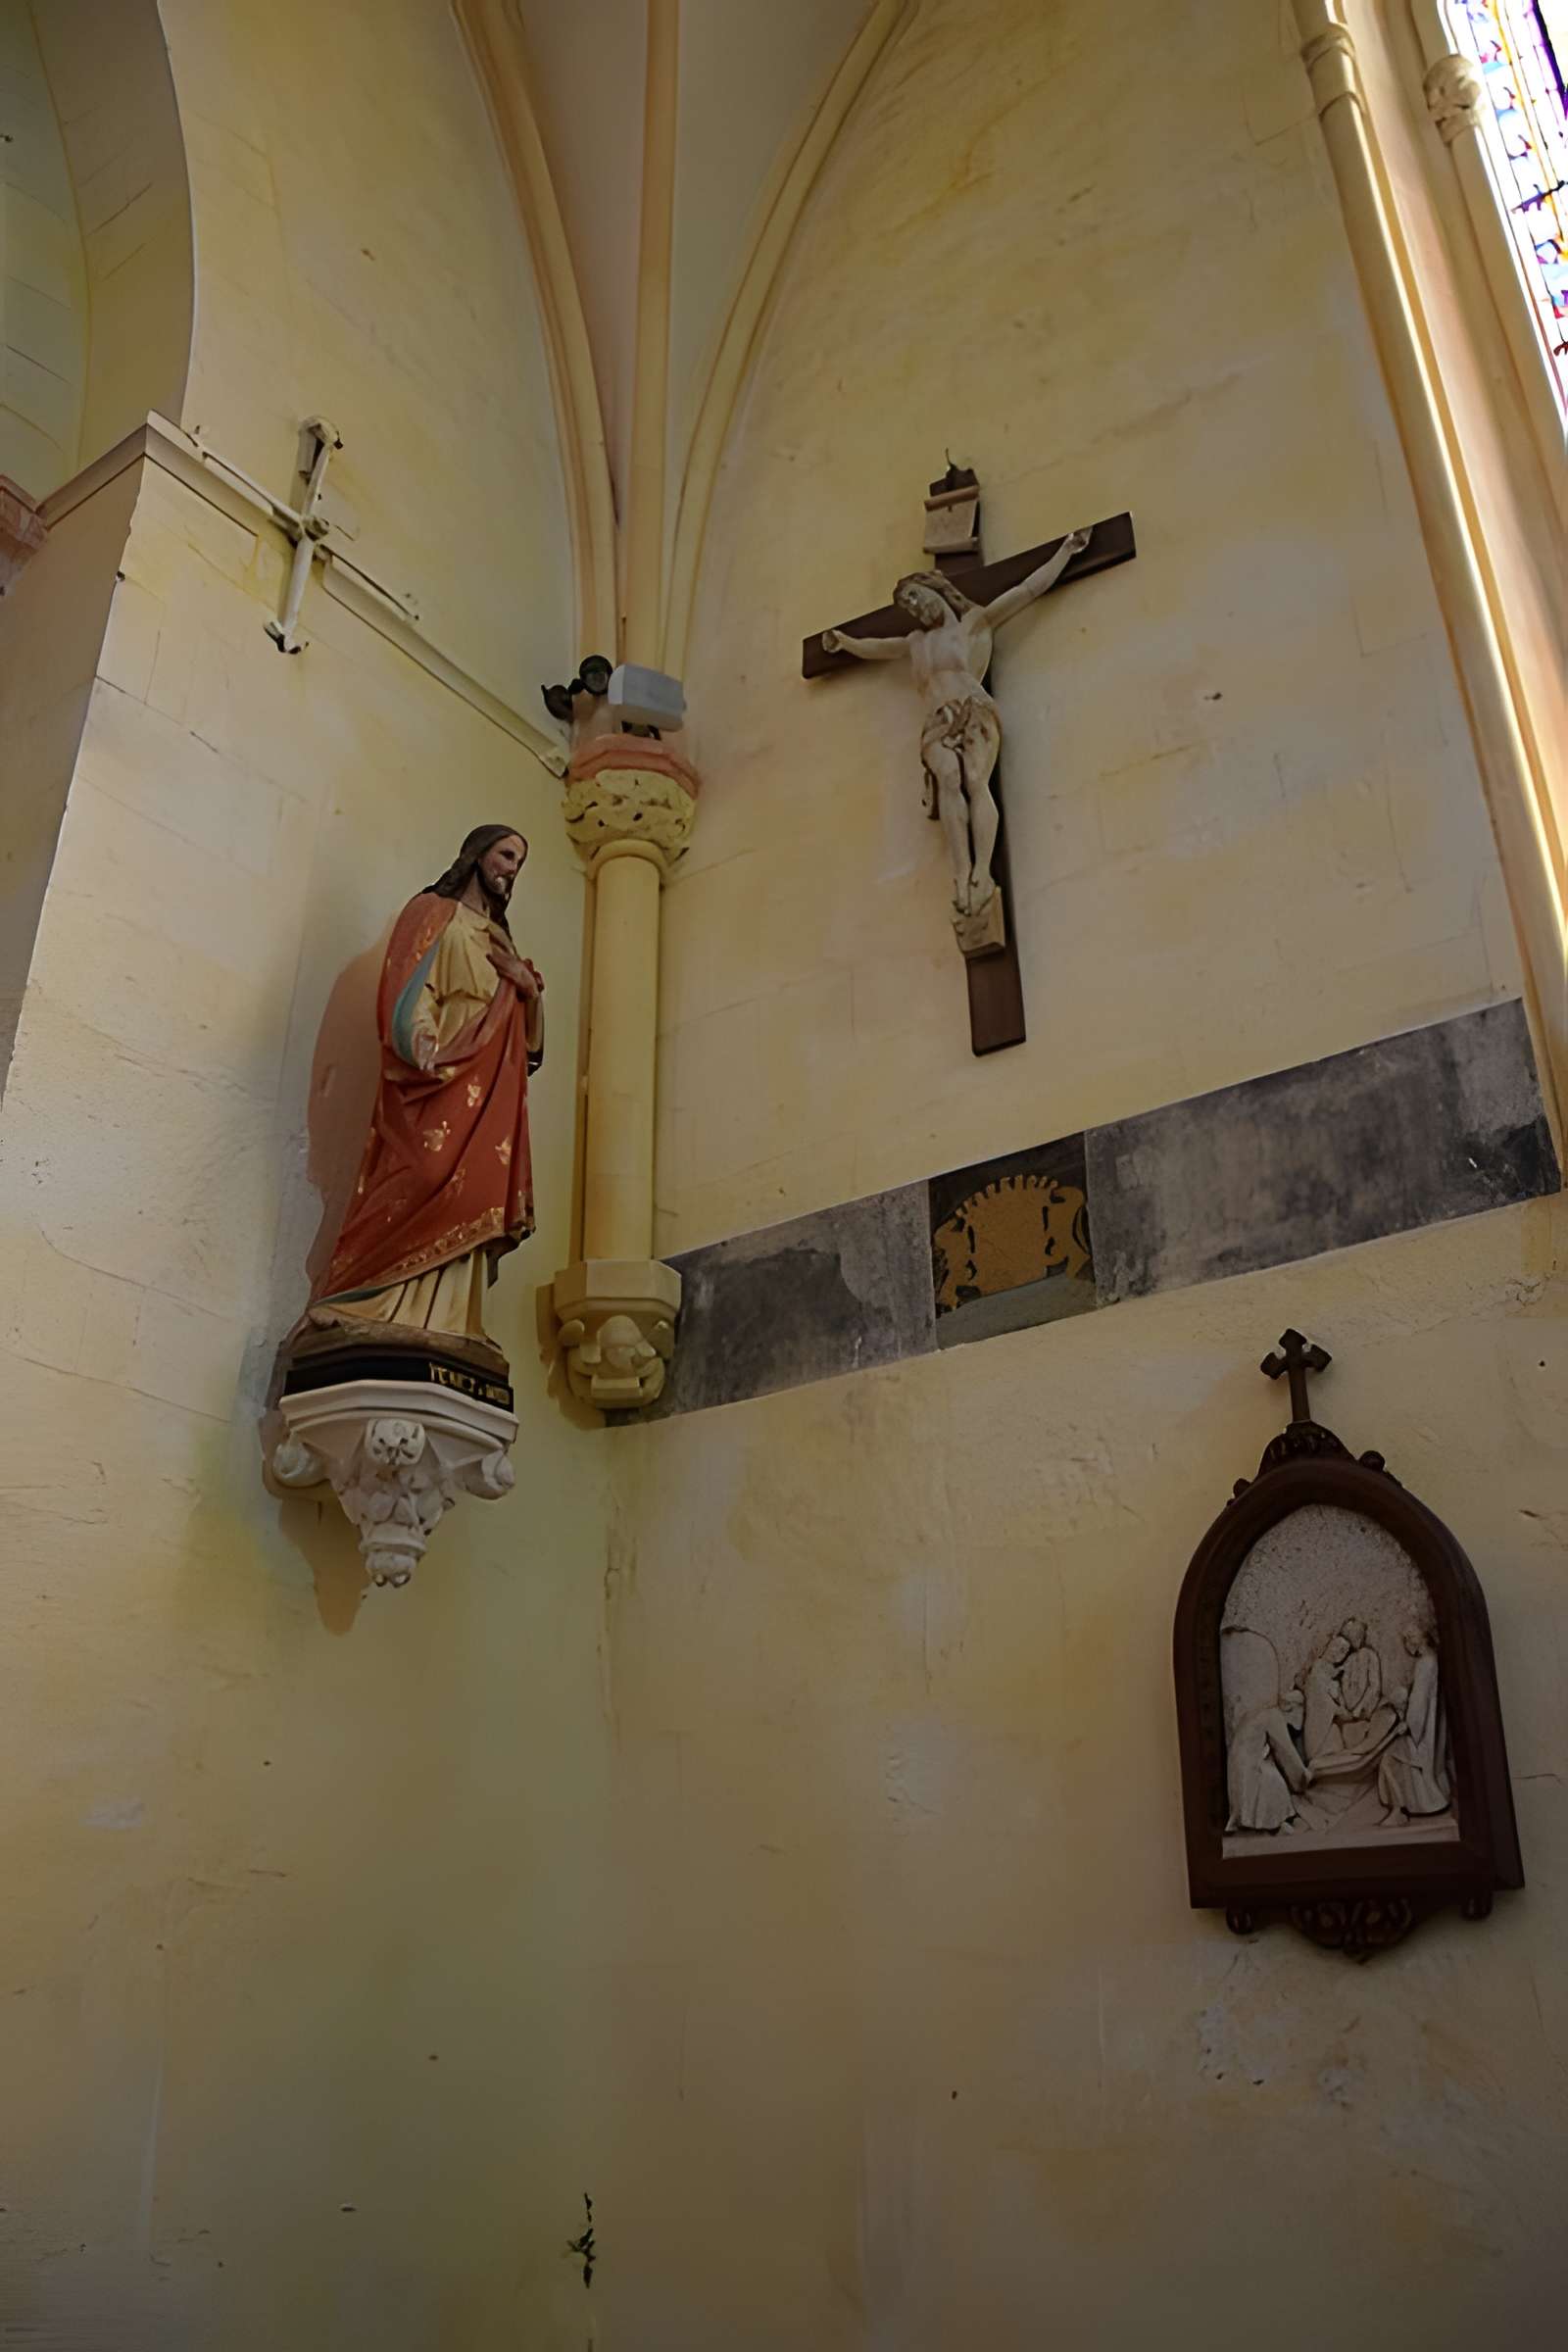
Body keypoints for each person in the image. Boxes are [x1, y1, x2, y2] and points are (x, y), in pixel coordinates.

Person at [310, 824, 544, 1352]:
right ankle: (366, 1299)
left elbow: (529, 1046)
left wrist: (528, 991)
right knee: (426, 1170)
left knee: (479, 1186)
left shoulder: (502, 938)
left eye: (519, 864)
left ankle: (451, 1322)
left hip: (493, 1081)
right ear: (478, 854)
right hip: (442, 1063)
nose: (511, 869)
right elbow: (409, 983)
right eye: (506, 855)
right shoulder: (433, 913)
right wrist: (422, 1046)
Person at [821, 528, 1092, 927]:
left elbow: (1027, 589)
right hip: (936, 723)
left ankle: (982, 869)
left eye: (916, 596)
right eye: (907, 605)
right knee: (948, 779)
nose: (914, 607)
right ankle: (960, 872)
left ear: (935, 590)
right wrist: (844, 642)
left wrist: (1066, 552)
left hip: (972, 711)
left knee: (975, 780)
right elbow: (877, 648)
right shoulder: (914, 642)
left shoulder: (973, 624)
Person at [1378, 1627, 1451, 1824]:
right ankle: (1424, 1802)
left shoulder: (1424, 1663)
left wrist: (1409, 1725)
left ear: (1416, 1640)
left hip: (1419, 1728)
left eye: (1407, 1640)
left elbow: (1419, 1700)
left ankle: (1399, 1810)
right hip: (1428, 1726)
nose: (1406, 1646)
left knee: (1389, 1758)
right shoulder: (1433, 1659)